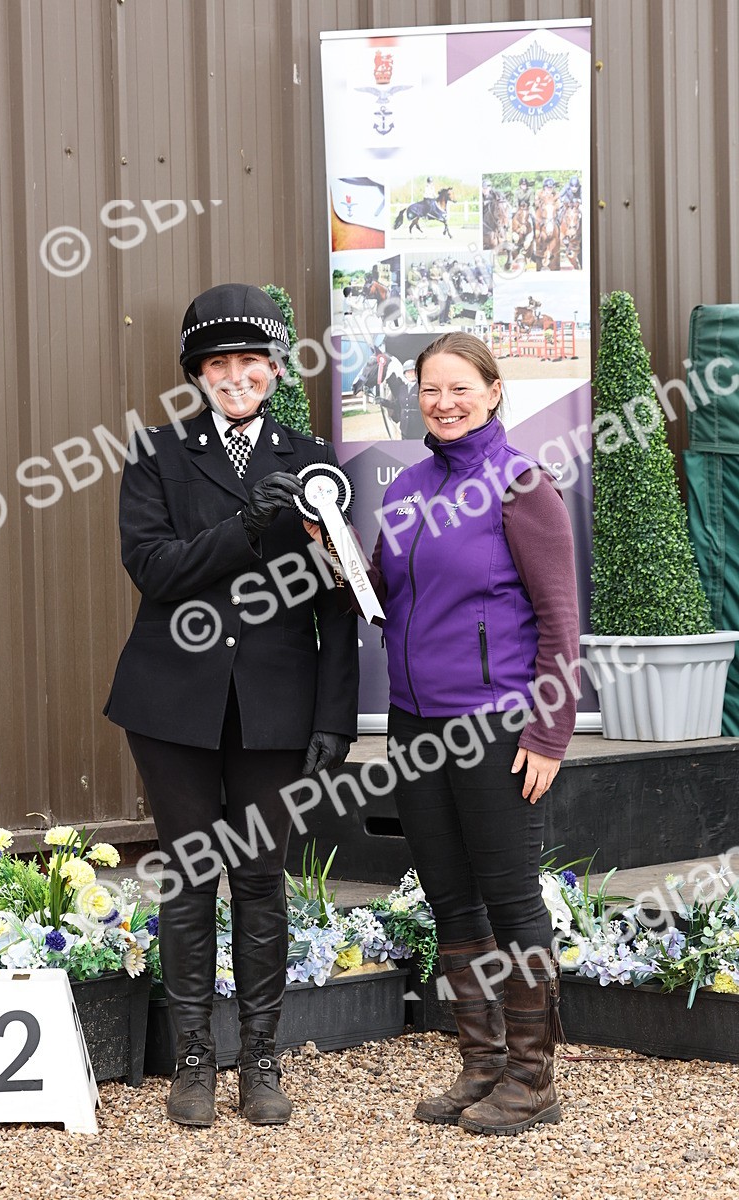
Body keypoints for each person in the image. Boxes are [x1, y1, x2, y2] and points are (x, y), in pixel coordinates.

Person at [104, 283, 359, 1128]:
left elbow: (338, 600)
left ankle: (260, 1059)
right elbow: (157, 570)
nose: (238, 374)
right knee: (187, 879)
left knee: (259, 879)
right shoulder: (156, 455)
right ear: (199, 375)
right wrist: (247, 524)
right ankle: (191, 1061)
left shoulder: (315, 458)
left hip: (274, 710)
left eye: (252, 360)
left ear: (277, 368)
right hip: (172, 704)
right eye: (221, 362)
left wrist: (333, 716)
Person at [314, 332, 579, 1136]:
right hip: (415, 726)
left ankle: (533, 1079)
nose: (444, 401)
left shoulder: (521, 485)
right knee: (450, 897)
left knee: (510, 897)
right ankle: (482, 1063)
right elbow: (390, 597)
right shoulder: (407, 489)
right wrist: (335, 551)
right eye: (431, 389)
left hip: (498, 726)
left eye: (460, 387)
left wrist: (549, 733)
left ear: (495, 392)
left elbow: (562, 622)